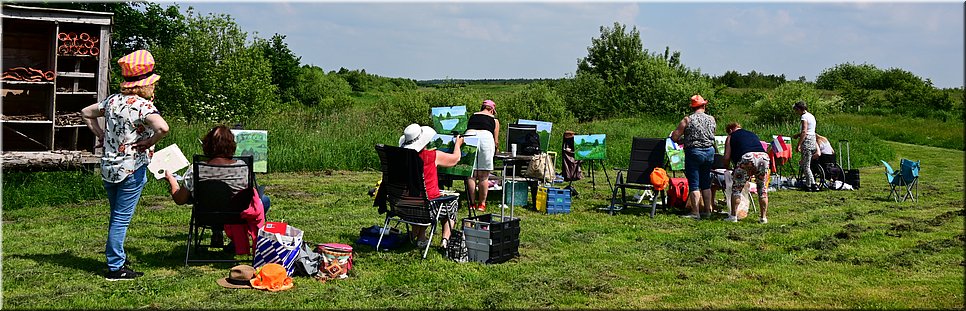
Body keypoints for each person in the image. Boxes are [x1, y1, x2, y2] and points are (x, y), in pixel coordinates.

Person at [80, 50, 170, 280]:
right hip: (131, 168)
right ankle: (115, 267)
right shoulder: (142, 106)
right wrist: (150, 141)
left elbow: (86, 112)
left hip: (109, 167)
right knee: (121, 219)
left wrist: (100, 134)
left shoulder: (112, 101)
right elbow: (163, 128)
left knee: (116, 215)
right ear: (145, 85)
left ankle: (116, 256)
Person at [163, 125, 271, 254]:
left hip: (207, 215)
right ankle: (237, 240)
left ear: (207, 145)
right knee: (263, 200)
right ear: (232, 145)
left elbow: (180, 200)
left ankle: (218, 232)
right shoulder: (243, 167)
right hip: (237, 217)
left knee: (215, 198)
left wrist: (171, 180)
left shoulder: (196, 168)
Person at [399, 123, 463, 248]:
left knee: (420, 197)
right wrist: (458, 144)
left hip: (405, 206)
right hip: (429, 208)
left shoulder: (403, 158)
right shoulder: (432, 156)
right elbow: (455, 159)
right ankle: (445, 240)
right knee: (453, 202)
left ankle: (420, 236)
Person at [671, 94, 717, 220]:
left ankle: (695, 212)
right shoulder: (712, 119)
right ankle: (707, 211)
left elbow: (675, 137)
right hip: (709, 151)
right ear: (704, 105)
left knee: (694, 183)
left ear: (693, 107)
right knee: (706, 183)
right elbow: (712, 134)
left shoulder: (687, 120)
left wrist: (683, 140)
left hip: (694, 152)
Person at [722, 122, 770, 224]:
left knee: (737, 189)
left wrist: (726, 167)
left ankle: (733, 216)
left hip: (747, 158)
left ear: (730, 130)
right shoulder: (752, 134)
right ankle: (763, 218)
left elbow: (726, 157)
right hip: (763, 157)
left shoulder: (731, 136)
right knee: (762, 189)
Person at [465, 99, 500, 212]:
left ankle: (471, 204)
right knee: (484, 175)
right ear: (491, 109)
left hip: (470, 135)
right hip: (486, 137)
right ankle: (482, 204)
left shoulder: (473, 116)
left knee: (471, 173)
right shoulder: (494, 120)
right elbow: (496, 141)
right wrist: (496, 150)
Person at [791, 101, 820, 192]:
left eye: (796, 110)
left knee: (805, 166)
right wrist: (798, 135)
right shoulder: (811, 116)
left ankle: (813, 185)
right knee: (807, 164)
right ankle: (809, 184)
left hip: (807, 142)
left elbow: (804, 131)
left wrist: (798, 145)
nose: (796, 112)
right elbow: (810, 131)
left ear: (800, 109)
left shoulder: (804, 117)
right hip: (813, 140)